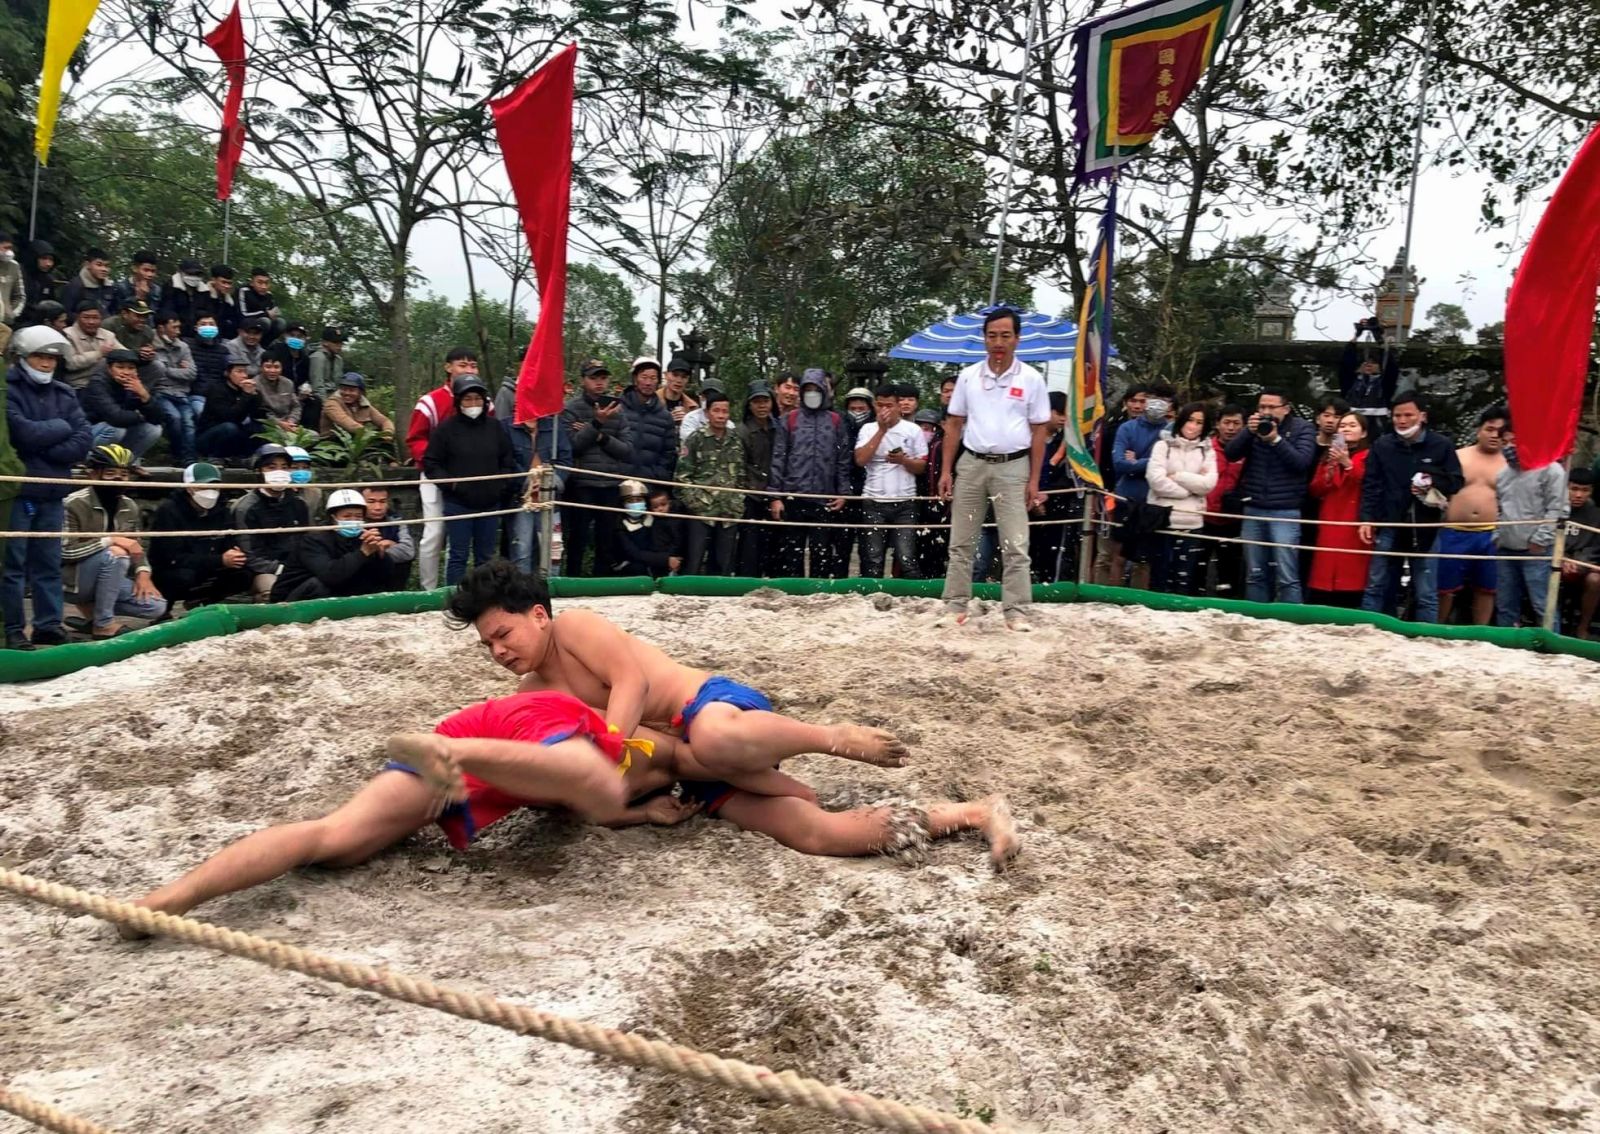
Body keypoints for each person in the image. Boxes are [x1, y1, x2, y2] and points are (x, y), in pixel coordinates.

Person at [123, 686, 1017, 933]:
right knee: (594, 781)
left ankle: (973, 812)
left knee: (335, 846)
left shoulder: (702, 749)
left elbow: (770, 788)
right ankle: (170, 899)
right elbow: (645, 755)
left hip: (554, 763)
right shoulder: (672, 733)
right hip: (540, 747)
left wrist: (647, 812)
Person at [451, 561, 911, 780]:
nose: (498, 651)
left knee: (710, 738)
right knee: (806, 823)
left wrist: (608, 744)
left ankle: (830, 737)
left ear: (537, 615)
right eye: (487, 644)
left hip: (716, 709)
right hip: (684, 758)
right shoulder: (532, 690)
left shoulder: (575, 628)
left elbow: (634, 682)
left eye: (503, 635)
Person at [938, 310, 1052, 629]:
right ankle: (955, 605)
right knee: (961, 541)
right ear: (984, 338)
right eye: (992, 335)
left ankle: (1015, 610)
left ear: (1017, 338)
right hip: (971, 463)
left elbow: (1040, 430)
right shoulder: (969, 376)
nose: (998, 342)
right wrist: (947, 471)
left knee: (1015, 543)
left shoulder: (1031, 378)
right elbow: (954, 424)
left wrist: (1034, 479)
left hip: (1013, 466)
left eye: (1005, 335)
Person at [3, 326, 93, 650]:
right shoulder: (7, 389)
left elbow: (84, 439)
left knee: (47, 562)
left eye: (52, 358)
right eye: (40, 356)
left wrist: (47, 444)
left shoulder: (64, 393)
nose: (46, 363)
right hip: (18, 491)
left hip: (53, 490)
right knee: (12, 565)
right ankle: (13, 628)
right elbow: (21, 433)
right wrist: (60, 429)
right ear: (23, 357)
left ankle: (48, 624)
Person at [1358, 393, 1464, 621]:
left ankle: (1427, 637)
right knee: (1376, 583)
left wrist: (1431, 482)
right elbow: (1371, 484)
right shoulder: (1382, 445)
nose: (1402, 420)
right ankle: (1367, 631)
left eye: (1408, 415)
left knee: (1426, 589)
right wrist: (1366, 519)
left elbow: (1456, 481)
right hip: (1390, 523)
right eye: (1397, 415)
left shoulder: (1441, 445)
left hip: (1426, 526)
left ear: (1422, 416)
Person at [60, 444, 168, 638]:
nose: (119, 479)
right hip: (72, 581)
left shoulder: (129, 505)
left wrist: (143, 573)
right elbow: (65, 552)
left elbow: (137, 545)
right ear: (93, 474)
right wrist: (111, 540)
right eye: (110, 473)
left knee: (156, 606)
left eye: (124, 474)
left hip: (110, 576)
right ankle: (103, 624)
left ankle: (93, 615)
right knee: (116, 555)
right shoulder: (73, 503)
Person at [1225, 388, 1318, 605]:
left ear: (1285, 408)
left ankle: (1292, 619)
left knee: (1287, 575)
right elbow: (1231, 453)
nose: (1266, 411)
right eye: (1262, 407)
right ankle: (1257, 618)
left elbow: (1301, 463)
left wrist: (1276, 439)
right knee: (1255, 573)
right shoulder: (1253, 429)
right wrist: (1248, 431)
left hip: (1286, 510)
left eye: (1271, 407)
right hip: (1253, 507)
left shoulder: (1302, 428)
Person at [424, 374, 518, 585]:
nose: (473, 403)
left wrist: (500, 486)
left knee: (485, 558)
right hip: (458, 504)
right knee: (458, 556)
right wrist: (451, 484)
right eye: (468, 399)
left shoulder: (495, 428)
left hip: (490, 504)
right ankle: (454, 599)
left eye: (477, 398)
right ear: (458, 401)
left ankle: (483, 599)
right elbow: (431, 463)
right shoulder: (446, 430)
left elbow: (507, 459)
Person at [407, 347, 486, 590]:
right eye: (463, 365)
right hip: (434, 474)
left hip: (470, 477)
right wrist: (435, 463)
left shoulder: (483, 400)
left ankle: (459, 588)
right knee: (434, 532)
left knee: (460, 534)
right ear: (448, 367)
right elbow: (415, 439)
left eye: (473, 365)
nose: (468, 369)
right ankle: (428, 589)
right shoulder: (429, 402)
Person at [767, 368, 851, 578]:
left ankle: (818, 594)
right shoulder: (790, 419)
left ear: (824, 391)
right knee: (791, 553)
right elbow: (778, 459)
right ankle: (792, 597)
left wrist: (843, 492)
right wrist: (775, 496)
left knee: (821, 552)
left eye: (816, 389)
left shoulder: (835, 421)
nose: (812, 393)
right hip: (794, 495)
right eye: (808, 390)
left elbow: (843, 460)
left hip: (824, 498)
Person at [559, 361, 634, 577]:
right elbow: (572, 446)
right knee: (578, 537)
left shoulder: (618, 410)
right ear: (583, 380)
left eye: (603, 378)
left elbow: (626, 449)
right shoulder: (572, 408)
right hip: (582, 483)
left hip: (610, 482)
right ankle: (572, 578)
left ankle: (600, 582)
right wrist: (597, 423)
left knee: (606, 538)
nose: (599, 382)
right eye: (594, 377)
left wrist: (598, 435)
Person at [1436, 406, 1508, 625]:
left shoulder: (1510, 464)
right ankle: (1436, 627)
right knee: (1444, 588)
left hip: (1491, 534)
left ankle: (1481, 633)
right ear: (1479, 430)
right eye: (1490, 429)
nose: (1494, 435)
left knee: (1487, 588)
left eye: (1500, 431)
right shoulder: (1457, 456)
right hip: (1453, 531)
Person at [1492, 425, 1567, 631]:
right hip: (1506, 549)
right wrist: (1497, 535)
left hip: (1537, 552)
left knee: (1543, 605)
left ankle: (1552, 649)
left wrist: (1539, 540)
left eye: (1513, 441)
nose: (1509, 447)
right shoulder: (1502, 475)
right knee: (1505, 605)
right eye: (1505, 442)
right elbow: (1500, 508)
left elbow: (1558, 509)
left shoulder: (1552, 470)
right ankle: (1507, 647)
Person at [149, 462, 253, 608]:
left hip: (211, 564)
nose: (210, 491)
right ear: (188, 487)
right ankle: (167, 607)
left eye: (214, 486)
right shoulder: (168, 511)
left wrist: (234, 555)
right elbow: (170, 557)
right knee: (183, 577)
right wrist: (219, 560)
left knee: (244, 574)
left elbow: (229, 543)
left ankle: (205, 601)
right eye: (202, 486)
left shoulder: (222, 510)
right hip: (175, 570)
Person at [854, 385, 928, 579]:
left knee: (906, 556)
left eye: (889, 405)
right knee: (873, 557)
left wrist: (904, 460)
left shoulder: (913, 430)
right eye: (880, 405)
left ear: (898, 406)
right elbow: (860, 460)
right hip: (873, 501)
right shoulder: (867, 428)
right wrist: (881, 431)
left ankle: (914, 599)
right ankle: (870, 599)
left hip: (905, 502)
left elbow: (922, 466)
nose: (884, 410)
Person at [272, 489, 399, 600]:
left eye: (358, 516)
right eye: (347, 516)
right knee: (319, 584)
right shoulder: (313, 540)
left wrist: (380, 554)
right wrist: (363, 553)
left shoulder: (361, 537)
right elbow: (331, 575)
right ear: (333, 517)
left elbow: (386, 575)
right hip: (292, 597)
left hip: (339, 593)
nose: (353, 521)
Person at [1146, 402, 1218, 595]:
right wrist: (1187, 491)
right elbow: (1155, 480)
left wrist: (1177, 476)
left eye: (1199, 422)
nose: (1193, 426)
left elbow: (1208, 484)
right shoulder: (1163, 446)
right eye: (1190, 420)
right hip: (1163, 519)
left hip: (1192, 522)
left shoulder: (1207, 450)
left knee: (1185, 577)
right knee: (1160, 575)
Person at [1109, 383, 1176, 590]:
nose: (1157, 404)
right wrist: (1153, 462)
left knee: (1144, 560)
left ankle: (1139, 602)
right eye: (1152, 397)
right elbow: (1119, 464)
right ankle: (1111, 599)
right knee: (1118, 556)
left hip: (1155, 500)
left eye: (1163, 400)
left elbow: (1171, 465)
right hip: (1126, 498)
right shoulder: (1127, 427)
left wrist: (1138, 462)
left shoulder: (1173, 430)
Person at [1306, 413, 1373, 607]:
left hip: (1355, 520)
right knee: (1324, 571)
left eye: (1352, 425)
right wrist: (1330, 469)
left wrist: (1347, 464)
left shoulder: (1369, 455)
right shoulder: (1328, 455)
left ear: (1364, 432)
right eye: (1342, 425)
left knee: (1351, 572)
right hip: (1330, 518)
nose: (1346, 429)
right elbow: (1315, 488)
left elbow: (1369, 482)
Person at [676, 390, 746, 575]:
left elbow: (741, 474)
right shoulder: (695, 439)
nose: (721, 416)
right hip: (700, 510)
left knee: (724, 563)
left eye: (725, 411)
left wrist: (737, 500)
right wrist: (696, 503)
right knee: (694, 560)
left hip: (728, 511)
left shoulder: (735, 440)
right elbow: (682, 477)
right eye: (717, 411)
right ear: (707, 413)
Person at [236, 444, 311, 601]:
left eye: (284, 467)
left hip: (298, 566)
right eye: (272, 467)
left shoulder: (298, 503)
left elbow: (307, 540)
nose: (279, 472)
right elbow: (250, 555)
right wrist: (279, 568)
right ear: (259, 471)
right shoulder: (246, 508)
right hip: (265, 571)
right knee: (273, 592)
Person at [79, 348, 164, 459]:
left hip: (120, 426)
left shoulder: (135, 385)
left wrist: (144, 395)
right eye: (120, 367)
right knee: (116, 430)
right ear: (109, 369)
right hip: (91, 430)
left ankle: (126, 463)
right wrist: (141, 416)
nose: (126, 372)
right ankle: (92, 461)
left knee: (153, 429)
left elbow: (157, 418)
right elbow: (115, 418)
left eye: (131, 368)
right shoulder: (98, 383)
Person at [1202, 404, 1246, 595]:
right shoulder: (1205, 447)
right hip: (1204, 515)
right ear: (1217, 425)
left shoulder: (1249, 450)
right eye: (1226, 422)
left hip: (1234, 519)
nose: (1231, 428)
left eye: (1236, 423)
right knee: (1198, 564)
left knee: (1230, 569)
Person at [736, 380, 777, 576]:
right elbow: (740, 466)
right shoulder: (742, 431)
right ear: (749, 405)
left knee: (771, 548)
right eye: (756, 402)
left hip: (774, 494)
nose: (761, 406)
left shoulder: (778, 428)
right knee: (749, 548)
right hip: (751, 496)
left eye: (765, 401)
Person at [150, 313, 200, 465]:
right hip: (160, 391)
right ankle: (177, 455)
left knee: (189, 422)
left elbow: (192, 373)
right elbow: (158, 374)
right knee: (174, 418)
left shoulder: (183, 346)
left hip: (181, 393)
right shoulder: (150, 345)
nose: (178, 331)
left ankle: (190, 459)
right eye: (174, 327)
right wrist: (177, 369)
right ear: (161, 328)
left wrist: (168, 370)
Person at [619, 356, 676, 488]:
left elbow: (668, 454)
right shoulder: (617, 409)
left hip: (649, 484)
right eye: (644, 377)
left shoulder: (665, 416)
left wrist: (655, 476)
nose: (648, 383)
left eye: (653, 378)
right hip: (617, 481)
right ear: (635, 379)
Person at [196, 360, 268, 459]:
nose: (244, 376)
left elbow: (258, 416)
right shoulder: (217, 390)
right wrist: (246, 395)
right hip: (209, 435)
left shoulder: (244, 390)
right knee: (229, 427)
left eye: (245, 372)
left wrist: (255, 395)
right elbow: (228, 417)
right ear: (227, 374)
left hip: (235, 430)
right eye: (239, 372)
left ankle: (246, 458)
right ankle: (215, 458)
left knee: (258, 428)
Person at [1559, 468, 1600, 639]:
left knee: (1596, 580)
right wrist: (1563, 559)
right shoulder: (1555, 507)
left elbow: (1595, 547)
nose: (1579, 495)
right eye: (1574, 489)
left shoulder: (1596, 514)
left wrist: (1579, 562)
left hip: (1583, 564)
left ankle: (1583, 627)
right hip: (1555, 560)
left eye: (1585, 490)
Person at [1338, 319, 1400, 431]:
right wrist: (1356, 336)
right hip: (1351, 431)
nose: (1368, 364)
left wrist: (1379, 338)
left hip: (1377, 432)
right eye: (1365, 361)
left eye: (1374, 361)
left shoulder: (1384, 385)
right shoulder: (1351, 383)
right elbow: (1345, 365)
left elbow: (1391, 367)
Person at [616, 479, 682, 578]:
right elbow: (634, 554)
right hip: (634, 565)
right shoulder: (620, 526)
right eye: (630, 501)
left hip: (661, 561)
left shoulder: (655, 518)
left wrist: (673, 557)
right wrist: (665, 559)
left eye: (639, 500)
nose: (635, 504)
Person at [359, 485, 417, 592]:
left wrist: (376, 550)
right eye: (371, 502)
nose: (378, 507)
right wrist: (387, 546)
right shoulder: (354, 522)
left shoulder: (396, 520)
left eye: (382, 501)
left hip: (390, 577)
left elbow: (408, 551)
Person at [61, 303, 117, 390]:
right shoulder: (67, 335)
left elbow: (123, 354)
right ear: (77, 318)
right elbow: (70, 364)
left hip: (106, 384)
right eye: (86, 317)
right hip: (79, 386)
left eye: (95, 318)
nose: (91, 322)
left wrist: (139, 353)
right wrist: (99, 353)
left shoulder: (108, 335)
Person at [320, 371, 393, 435]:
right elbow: (346, 423)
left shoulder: (364, 405)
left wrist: (388, 432)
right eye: (344, 389)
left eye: (352, 390)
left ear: (360, 392)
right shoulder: (332, 403)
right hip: (332, 444)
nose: (347, 393)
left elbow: (384, 421)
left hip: (356, 441)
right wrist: (371, 435)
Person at [59, 247, 114, 321]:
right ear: (87, 264)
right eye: (99, 265)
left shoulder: (109, 287)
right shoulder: (75, 286)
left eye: (107, 266)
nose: (104, 269)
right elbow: (66, 313)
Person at [157, 258, 209, 336]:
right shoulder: (170, 288)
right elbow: (166, 311)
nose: (193, 277)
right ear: (180, 272)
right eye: (190, 273)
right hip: (176, 334)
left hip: (198, 334)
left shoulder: (204, 291)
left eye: (197, 274)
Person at [187, 312, 230, 405]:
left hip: (218, 396)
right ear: (196, 328)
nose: (208, 327)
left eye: (211, 324)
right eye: (203, 324)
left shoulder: (223, 350)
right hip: (195, 395)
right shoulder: (187, 347)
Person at [20, 239, 63, 327]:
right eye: (44, 258)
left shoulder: (47, 280)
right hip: (18, 321)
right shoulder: (18, 274)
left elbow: (51, 303)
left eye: (51, 260)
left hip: (40, 324)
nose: (48, 263)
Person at [254, 350, 302, 429]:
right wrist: (280, 424)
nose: (272, 371)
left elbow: (296, 406)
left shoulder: (288, 383)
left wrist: (291, 421)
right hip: (269, 425)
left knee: (314, 435)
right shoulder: (255, 384)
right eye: (268, 367)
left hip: (290, 423)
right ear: (261, 367)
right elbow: (261, 412)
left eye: (276, 367)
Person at [193, 265, 242, 341]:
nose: (227, 286)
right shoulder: (201, 295)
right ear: (214, 280)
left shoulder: (230, 302)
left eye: (229, 283)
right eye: (223, 282)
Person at [110, 249, 163, 315]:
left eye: (153, 271)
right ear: (135, 268)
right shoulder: (120, 288)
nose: (150, 275)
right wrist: (138, 297)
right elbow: (117, 314)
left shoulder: (157, 291)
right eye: (146, 270)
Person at [239, 268, 284, 341]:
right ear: (252, 283)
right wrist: (266, 314)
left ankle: (266, 344)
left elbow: (272, 312)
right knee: (265, 321)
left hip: (264, 327)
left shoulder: (269, 295)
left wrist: (275, 314)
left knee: (280, 322)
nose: (264, 286)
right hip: (246, 324)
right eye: (260, 282)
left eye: (266, 283)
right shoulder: (244, 291)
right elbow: (242, 314)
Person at [306, 326, 346, 406]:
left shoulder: (338, 359)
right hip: (319, 400)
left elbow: (338, 382)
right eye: (335, 342)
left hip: (335, 397)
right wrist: (327, 406)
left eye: (341, 342)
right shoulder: (317, 357)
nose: (339, 345)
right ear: (325, 342)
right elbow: (317, 387)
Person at [0, 232, 24, 355]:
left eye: (11, 248)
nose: (9, 252)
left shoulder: (14, 266)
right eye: (6, 248)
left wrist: (11, 313)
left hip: (5, 323)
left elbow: (20, 296)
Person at [660, 356, 698, 428]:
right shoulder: (651, 401)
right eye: (675, 375)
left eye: (684, 377)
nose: (679, 380)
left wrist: (687, 421)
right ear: (666, 375)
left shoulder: (692, 407)